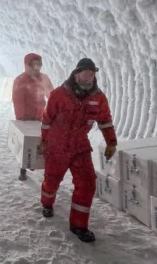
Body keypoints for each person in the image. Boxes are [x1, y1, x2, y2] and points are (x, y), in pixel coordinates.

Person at [39, 58, 117, 243]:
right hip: (57, 145)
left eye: (92, 73)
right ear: (76, 74)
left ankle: (79, 225)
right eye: (86, 73)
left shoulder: (98, 98)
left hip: (80, 147)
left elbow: (105, 120)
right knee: (52, 180)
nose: (89, 77)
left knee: (87, 183)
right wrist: (44, 141)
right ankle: (47, 203)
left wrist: (111, 142)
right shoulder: (59, 94)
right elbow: (46, 119)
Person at [12, 53, 54, 181]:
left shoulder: (44, 78)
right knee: (26, 143)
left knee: (43, 142)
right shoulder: (20, 80)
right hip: (25, 117)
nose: (37, 67)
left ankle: (43, 168)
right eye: (33, 64)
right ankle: (23, 169)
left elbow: (51, 95)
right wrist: (21, 118)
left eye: (38, 64)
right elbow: (17, 101)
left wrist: (53, 112)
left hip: (41, 116)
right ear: (27, 65)